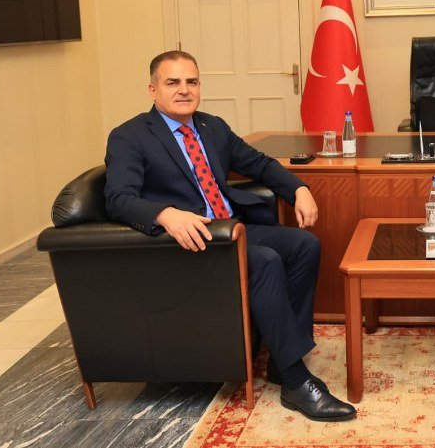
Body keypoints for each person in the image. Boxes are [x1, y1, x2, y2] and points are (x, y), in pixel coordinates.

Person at [104, 50, 356, 422]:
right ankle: (295, 381)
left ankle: (281, 358)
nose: (184, 90)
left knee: (304, 245)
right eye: (173, 82)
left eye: (192, 81)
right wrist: (165, 214)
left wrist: (298, 189)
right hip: (190, 241)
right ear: (153, 90)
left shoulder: (212, 127)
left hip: (230, 227)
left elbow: (260, 163)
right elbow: (118, 198)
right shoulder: (130, 136)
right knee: (265, 260)